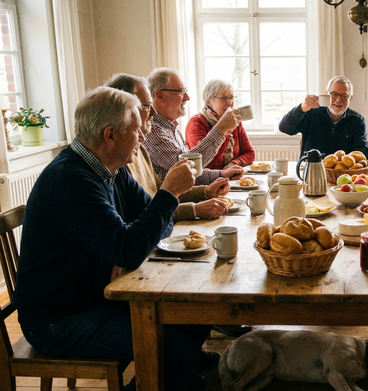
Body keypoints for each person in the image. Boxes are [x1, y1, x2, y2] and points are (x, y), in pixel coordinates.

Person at [12, 87, 218, 391]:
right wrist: (169, 193)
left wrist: (128, 245)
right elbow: (131, 247)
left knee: (196, 312)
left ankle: (178, 374)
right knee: (170, 344)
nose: (144, 137)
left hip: (95, 295)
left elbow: (153, 222)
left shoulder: (111, 168)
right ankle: (174, 374)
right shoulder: (71, 180)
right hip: (57, 319)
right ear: (110, 135)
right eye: (137, 130)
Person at [105, 73, 231, 221]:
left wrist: (204, 192)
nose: (153, 111)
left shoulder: (141, 148)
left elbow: (159, 193)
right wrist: (194, 209)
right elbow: (146, 212)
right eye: (146, 106)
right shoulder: (122, 157)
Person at [143, 67, 244, 185]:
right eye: (181, 92)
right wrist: (221, 129)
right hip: (177, 201)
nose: (187, 97)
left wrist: (220, 174)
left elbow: (192, 173)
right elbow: (188, 167)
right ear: (160, 96)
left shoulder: (171, 127)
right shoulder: (152, 130)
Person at [278, 75, 368, 158]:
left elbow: (362, 151)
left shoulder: (357, 120)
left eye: (344, 96)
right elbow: (284, 128)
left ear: (350, 98)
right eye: (334, 94)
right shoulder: (310, 112)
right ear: (326, 94)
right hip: (311, 169)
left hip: (342, 172)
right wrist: (301, 108)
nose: (338, 100)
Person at [186, 79, 255, 169]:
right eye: (223, 98)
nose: (230, 103)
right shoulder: (196, 122)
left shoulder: (235, 120)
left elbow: (250, 153)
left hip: (232, 177)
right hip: (207, 180)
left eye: (231, 98)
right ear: (208, 101)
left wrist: (234, 163)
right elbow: (204, 162)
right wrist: (225, 131)